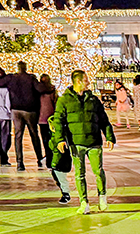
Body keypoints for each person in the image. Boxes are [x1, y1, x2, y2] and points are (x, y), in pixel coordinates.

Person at [49, 70, 116, 215]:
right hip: (76, 142)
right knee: (79, 174)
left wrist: (109, 137)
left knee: (98, 171)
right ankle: (84, 201)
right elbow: (58, 121)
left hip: (94, 141)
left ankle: (102, 197)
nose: (88, 82)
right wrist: (60, 139)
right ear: (78, 81)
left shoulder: (93, 100)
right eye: (86, 80)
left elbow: (104, 120)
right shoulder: (64, 100)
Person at [0, 61, 44, 171]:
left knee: (18, 136)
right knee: (34, 135)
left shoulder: (12, 78)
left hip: (16, 110)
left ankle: (20, 163)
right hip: (30, 111)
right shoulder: (31, 78)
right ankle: (40, 160)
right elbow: (40, 88)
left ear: (18, 68)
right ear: (25, 67)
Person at [37, 74, 58, 168]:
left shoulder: (38, 91)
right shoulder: (52, 90)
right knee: (52, 139)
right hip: (51, 119)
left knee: (45, 140)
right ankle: (51, 158)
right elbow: (56, 103)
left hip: (41, 119)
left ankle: (48, 158)